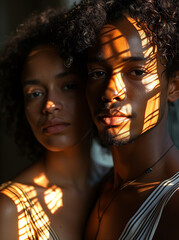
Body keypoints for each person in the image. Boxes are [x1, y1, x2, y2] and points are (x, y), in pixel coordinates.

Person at [62, 0, 179, 239]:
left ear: (173, 86)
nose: (110, 91)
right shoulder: (96, 189)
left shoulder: (174, 204)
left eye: (137, 72)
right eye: (98, 73)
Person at [0, 8, 110, 240]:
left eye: (68, 86)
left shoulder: (118, 186)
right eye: (34, 93)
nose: (49, 105)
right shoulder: (9, 209)